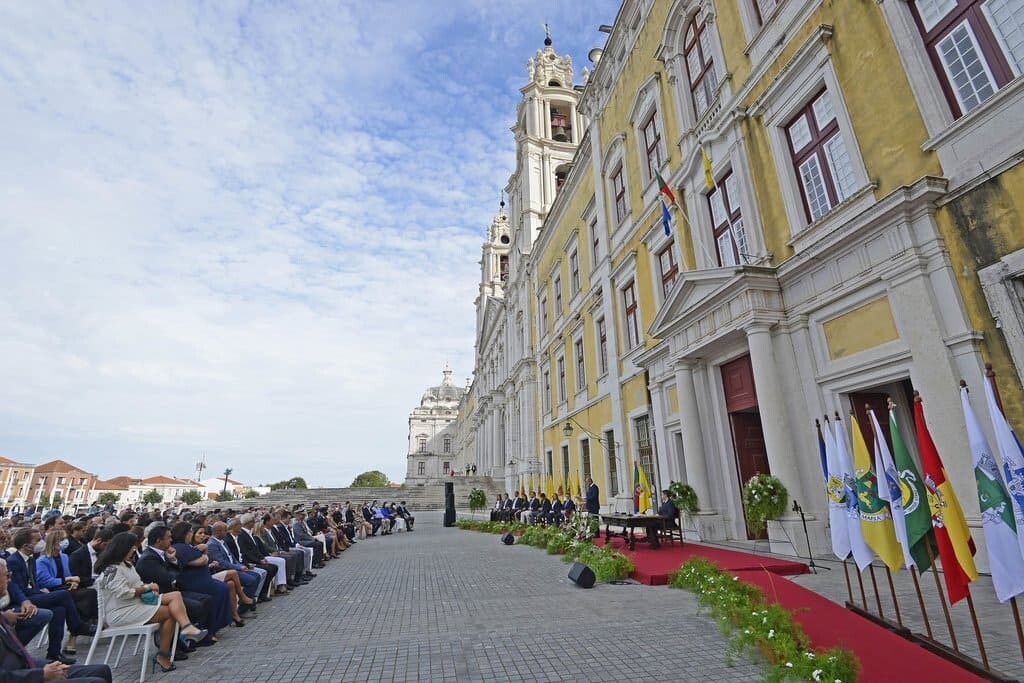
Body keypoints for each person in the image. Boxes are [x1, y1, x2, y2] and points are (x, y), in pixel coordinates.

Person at [93, 532, 207, 674]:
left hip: (134, 605)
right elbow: (123, 593)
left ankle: (184, 629)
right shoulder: (112, 569)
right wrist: (147, 588)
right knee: (171, 612)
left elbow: (137, 584)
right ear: (123, 548)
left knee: (175, 596)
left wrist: (147, 588)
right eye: (132, 547)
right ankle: (169, 648)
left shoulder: (126, 564)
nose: (134, 550)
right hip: (121, 612)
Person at [0, 565, 112, 682]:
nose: (10, 580)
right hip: (23, 676)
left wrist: (50, 665)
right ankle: (76, 627)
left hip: (26, 668)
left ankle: (57, 651)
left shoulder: (4, 616)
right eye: (7, 575)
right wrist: (42, 674)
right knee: (96, 681)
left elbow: (21, 658)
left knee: (102, 670)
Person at [5, 529, 94, 664]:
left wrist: (41, 590)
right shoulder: (14, 561)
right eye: (37, 540)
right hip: (23, 599)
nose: (41, 542)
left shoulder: (31, 560)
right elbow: (17, 588)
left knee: (59, 610)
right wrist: (33, 596)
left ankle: (54, 653)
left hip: (33, 594)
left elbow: (33, 583)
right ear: (25, 545)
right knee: (64, 594)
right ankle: (77, 626)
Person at [134, 526, 215, 648]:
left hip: (173, 592)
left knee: (206, 599)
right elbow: (167, 577)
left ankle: (198, 637)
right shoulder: (149, 558)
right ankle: (175, 641)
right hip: (162, 595)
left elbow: (176, 571)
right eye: (168, 538)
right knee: (196, 605)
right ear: (158, 540)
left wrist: (173, 561)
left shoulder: (162, 553)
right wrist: (174, 573)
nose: (171, 540)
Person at [35, 530, 97, 654]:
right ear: (55, 542)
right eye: (62, 540)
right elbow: (46, 581)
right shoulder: (42, 560)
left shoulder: (64, 557)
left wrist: (72, 583)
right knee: (86, 595)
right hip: (51, 591)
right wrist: (66, 580)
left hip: (65, 588)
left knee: (84, 595)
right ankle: (77, 627)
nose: (65, 542)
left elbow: (69, 575)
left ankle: (76, 630)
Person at [168, 523, 233, 632]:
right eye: (190, 532)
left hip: (201, 579)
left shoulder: (187, 546)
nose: (191, 535)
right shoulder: (179, 547)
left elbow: (204, 558)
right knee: (220, 590)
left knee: (224, 587)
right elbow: (200, 559)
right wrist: (203, 557)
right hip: (192, 582)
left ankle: (219, 623)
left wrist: (203, 558)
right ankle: (213, 627)